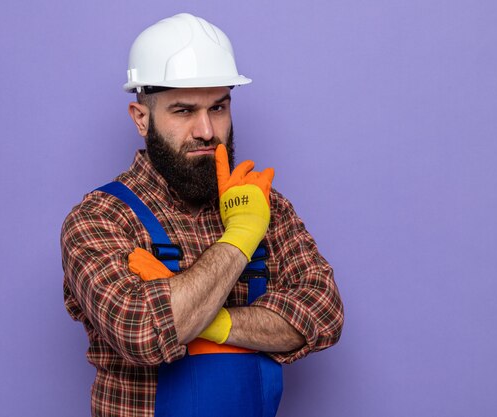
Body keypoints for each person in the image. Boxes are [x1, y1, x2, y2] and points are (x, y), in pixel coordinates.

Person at [61, 13, 344, 417]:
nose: (207, 130)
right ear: (141, 119)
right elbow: (143, 332)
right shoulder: (99, 219)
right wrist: (241, 238)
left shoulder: (268, 206)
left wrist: (201, 318)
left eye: (219, 107)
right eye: (183, 111)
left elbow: (323, 312)